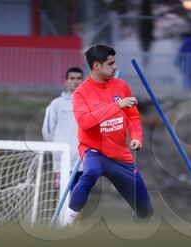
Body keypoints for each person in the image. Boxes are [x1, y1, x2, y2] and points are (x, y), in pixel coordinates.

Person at [62, 44, 153, 225]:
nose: (115, 67)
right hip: (94, 149)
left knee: (145, 211)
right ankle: (66, 224)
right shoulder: (81, 93)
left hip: (120, 154)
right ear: (96, 66)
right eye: (110, 64)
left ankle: (136, 230)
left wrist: (136, 137)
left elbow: (133, 116)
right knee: (90, 172)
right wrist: (116, 106)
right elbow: (85, 122)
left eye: (114, 63)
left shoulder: (121, 86)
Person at [42, 67, 84, 190]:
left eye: (78, 78)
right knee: (60, 197)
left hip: (82, 161)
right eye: (72, 78)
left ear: (83, 81)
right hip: (61, 161)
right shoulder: (56, 104)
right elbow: (47, 132)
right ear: (66, 81)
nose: (75, 81)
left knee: (78, 200)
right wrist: (57, 149)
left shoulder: (89, 104)